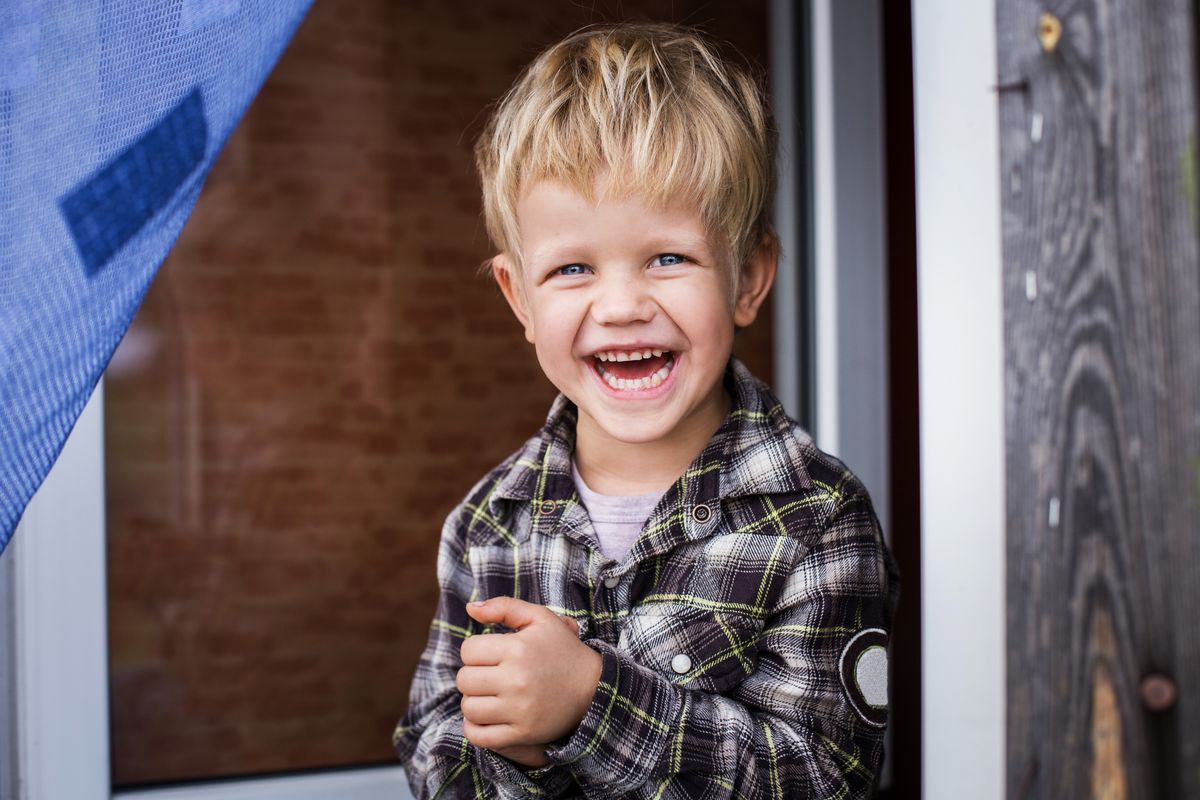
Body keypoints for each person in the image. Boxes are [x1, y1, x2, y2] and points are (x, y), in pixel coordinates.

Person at [393, 21, 900, 799]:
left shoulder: (818, 518)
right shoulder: (488, 525)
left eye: (669, 257)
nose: (622, 305)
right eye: (571, 268)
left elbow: (831, 777)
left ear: (749, 278)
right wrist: (516, 751)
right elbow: (433, 744)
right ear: (517, 297)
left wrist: (593, 707)